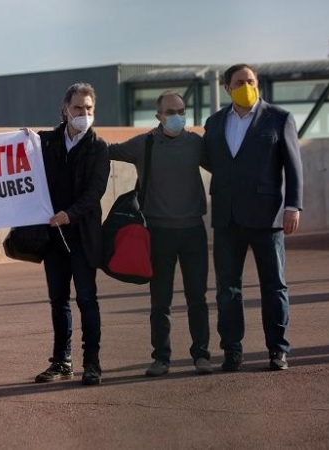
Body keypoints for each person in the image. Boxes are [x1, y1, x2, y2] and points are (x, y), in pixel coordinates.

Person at [203, 63, 303, 372]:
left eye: (250, 80)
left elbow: (293, 165)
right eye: (239, 81)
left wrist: (293, 206)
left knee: (274, 286)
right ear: (227, 88)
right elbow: (211, 160)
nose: (246, 85)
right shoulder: (215, 121)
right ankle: (232, 349)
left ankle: (277, 349)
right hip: (227, 217)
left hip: (267, 217)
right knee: (227, 288)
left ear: (257, 84)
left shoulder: (279, 118)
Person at [108, 92, 212, 377]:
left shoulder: (196, 143)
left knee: (197, 298)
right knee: (160, 301)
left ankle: (201, 355)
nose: (176, 116)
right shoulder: (145, 143)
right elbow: (109, 151)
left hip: (193, 231)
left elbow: (224, 165)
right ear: (158, 116)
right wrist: (74, 134)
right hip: (158, 232)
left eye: (180, 111)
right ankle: (161, 358)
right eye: (170, 112)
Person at [35, 83, 110, 385]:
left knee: (87, 299)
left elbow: (95, 192)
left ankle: (92, 363)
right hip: (53, 238)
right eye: (78, 108)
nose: (84, 113)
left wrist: (71, 214)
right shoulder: (45, 142)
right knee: (58, 300)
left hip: (83, 236)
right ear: (65, 109)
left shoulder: (98, 146)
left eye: (89, 108)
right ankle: (61, 361)